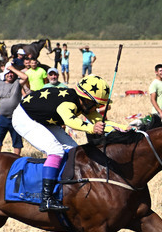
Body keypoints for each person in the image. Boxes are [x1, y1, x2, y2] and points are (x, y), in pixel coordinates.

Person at [12, 75, 128, 212]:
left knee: (75, 150)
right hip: (25, 118)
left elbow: (102, 123)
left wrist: (125, 128)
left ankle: (65, 186)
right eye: (95, 104)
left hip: (43, 118)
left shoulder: (84, 103)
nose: (95, 109)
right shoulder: (68, 103)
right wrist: (91, 128)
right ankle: (46, 198)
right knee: (55, 150)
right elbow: (70, 121)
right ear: (85, 99)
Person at [0, 69, 24, 156]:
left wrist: (12, 68)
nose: (10, 75)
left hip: (15, 118)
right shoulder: (0, 84)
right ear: (4, 75)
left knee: (17, 140)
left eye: (12, 73)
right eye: (8, 73)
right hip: (2, 117)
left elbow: (25, 77)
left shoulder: (17, 83)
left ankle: (16, 158)